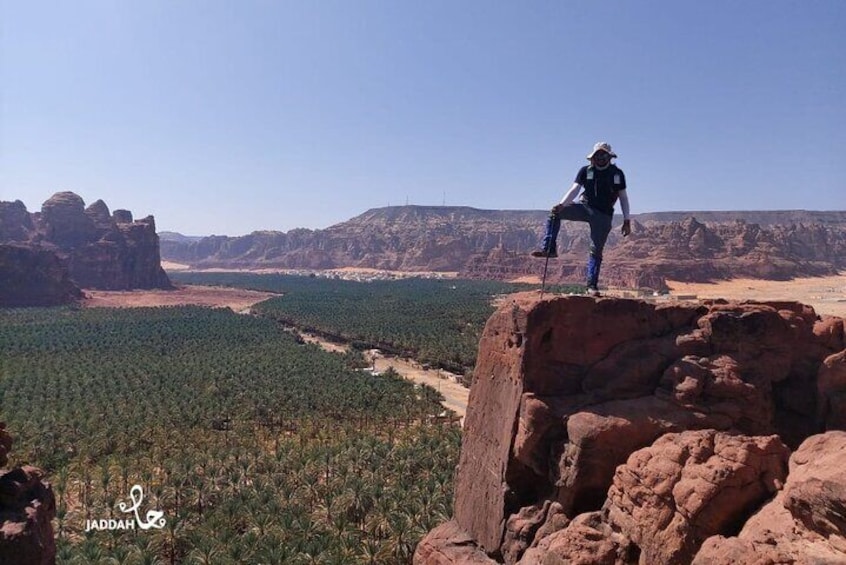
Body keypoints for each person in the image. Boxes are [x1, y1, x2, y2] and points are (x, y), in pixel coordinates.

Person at [531, 141, 631, 296]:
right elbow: (575, 190)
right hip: (585, 207)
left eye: (603, 155)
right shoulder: (585, 171)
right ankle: (549, 248)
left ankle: (591, 286)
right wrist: (562, 205)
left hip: (603, 215)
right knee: (554, 213)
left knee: (595, 251)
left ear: (609, 157)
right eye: (597, 155)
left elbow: (623, 197)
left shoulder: (616, 174)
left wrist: (627, 220)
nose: (600, 159)